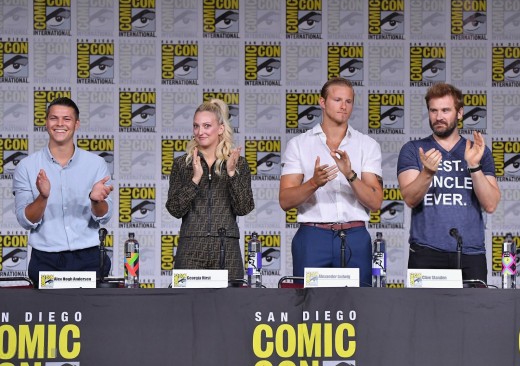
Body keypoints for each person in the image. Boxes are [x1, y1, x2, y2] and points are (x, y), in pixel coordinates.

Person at [279, 77, 383, 287]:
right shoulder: (298, 144)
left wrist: (350, 175)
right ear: (322, 102)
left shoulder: (367, 145)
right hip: (313, 237)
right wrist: (314, 183)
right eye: (337, 100)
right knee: (309, 303)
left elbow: (375, 202)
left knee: (357, 303)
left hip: (355, 236)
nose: (344, 106)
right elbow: (285, 200)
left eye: (348, 101)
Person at [397, 83, 500, 282]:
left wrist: (474, 166)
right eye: (433, 111)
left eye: (445, 110)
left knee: (475, 304)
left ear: (459, 113)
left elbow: (490, 204)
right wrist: (427, 172)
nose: (439, 117)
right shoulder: (414, 149)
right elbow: (410, 199)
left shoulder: (478, 151)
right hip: (426, 252)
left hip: (470, 253)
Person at [13, 97, 114, 285]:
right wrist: (43, 197)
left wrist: (96, 201)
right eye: (54, 118)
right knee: (47, 306)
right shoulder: (26, 166)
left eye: (67, 119)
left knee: (94, 306)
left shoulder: (96, 164)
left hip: (89, 259)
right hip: (45, 260)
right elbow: (25, 220)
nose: (60, 124)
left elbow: (104, 216)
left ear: (76, 124)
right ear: (46, 123)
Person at [166, 99, 254, 283]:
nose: (200, 132)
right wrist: (195, 179)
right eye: (196, 126)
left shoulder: (238, 163)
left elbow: (244, 207)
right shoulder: (182, 164)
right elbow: (174, 209)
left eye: (207, 126)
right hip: (190, 249)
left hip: (227, 248)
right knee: (186, 302)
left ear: (220, 128)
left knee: (230, 302)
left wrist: (232, 174)